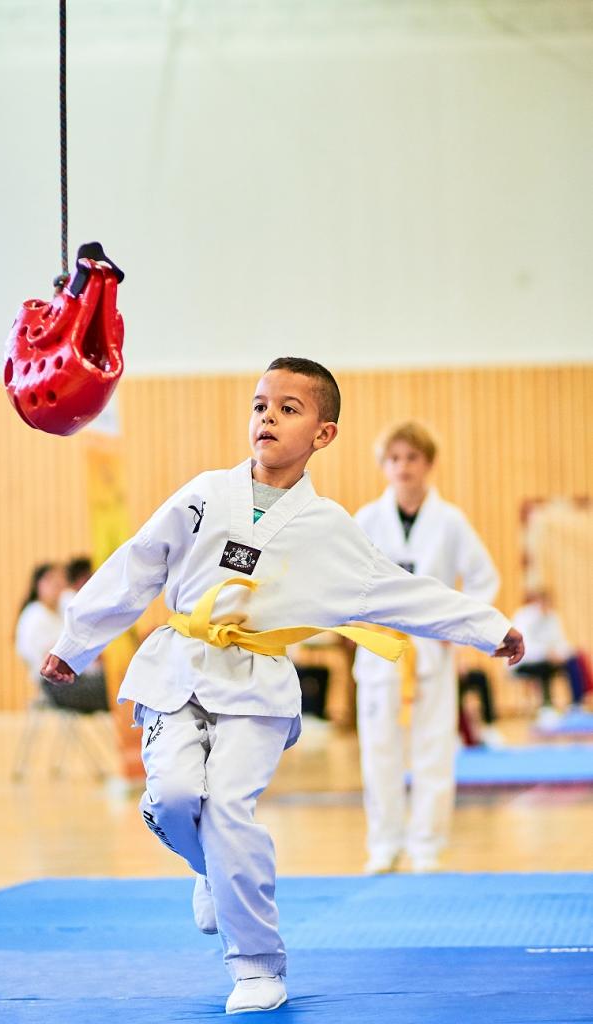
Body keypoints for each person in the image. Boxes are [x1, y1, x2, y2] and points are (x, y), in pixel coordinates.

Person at [40, 359, 523, 1016]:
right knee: (178, 795)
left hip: (256, 685)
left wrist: (487, 628)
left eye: (288, 408)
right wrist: (77, 642)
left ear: (324, 434)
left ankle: (257, 963)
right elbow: (137, 565)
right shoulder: (206, 493)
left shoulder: (328, 528)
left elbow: (401, 593)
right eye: (260, 404)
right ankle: (210, 869)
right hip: (181, 666)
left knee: (230, 811)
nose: (266, 416)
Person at [352, 421, 501, 874]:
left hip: (432, 656)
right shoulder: (365, 520)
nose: (403, 467)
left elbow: (483, 579)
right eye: (394, 459)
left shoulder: (449, 521)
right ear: (384, 466)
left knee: (435, 751)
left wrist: (460, 630)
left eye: (412, 458)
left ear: (429, 464)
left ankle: (427, 845)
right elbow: (344, 581)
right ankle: (384, 843)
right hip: (381, 654)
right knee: (379, 753)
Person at [16, 561, 109, 714]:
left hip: (75, 677)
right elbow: (49, 658)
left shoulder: (61, 611)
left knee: (117, 681)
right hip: (55, 684)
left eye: (60, 582)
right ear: (39, 585)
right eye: (52, 582)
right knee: (115, 687)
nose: (58, 586)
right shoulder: (34, 615)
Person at [510, 589, 583, 728]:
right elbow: (523, 647)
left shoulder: (552, 617)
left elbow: (561, 642)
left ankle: (576, 705)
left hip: (548, 659)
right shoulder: (523, 617)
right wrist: (546, 653)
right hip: (524, 662)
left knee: (573, 660)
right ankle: (546, 708)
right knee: (544, 666)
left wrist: (565, 653)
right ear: (536, 602)